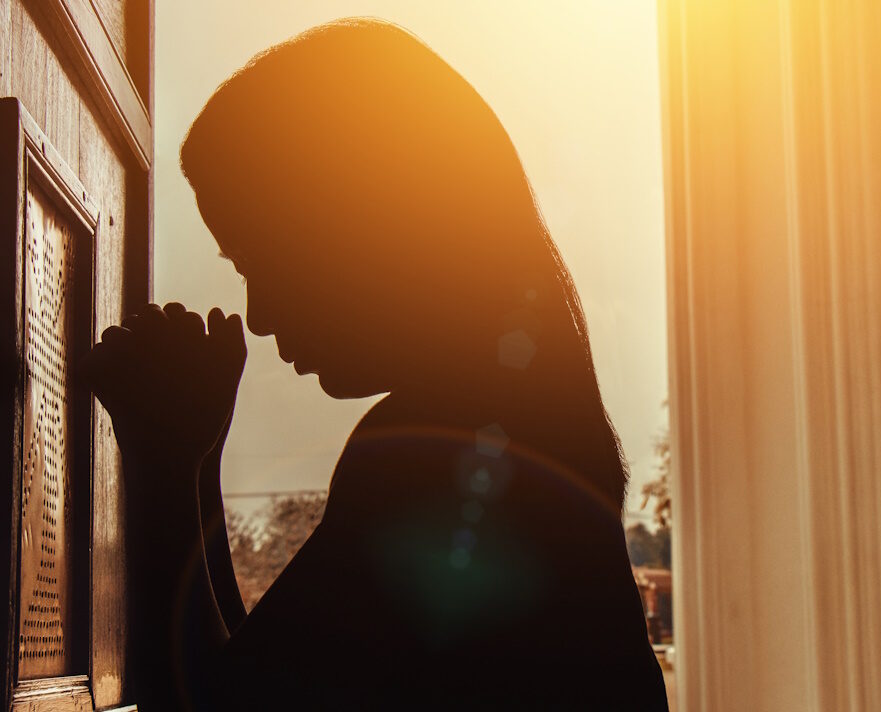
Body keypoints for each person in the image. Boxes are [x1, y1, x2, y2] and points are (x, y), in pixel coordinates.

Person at [85, 18, 667, 710]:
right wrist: (194, 461)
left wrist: (160, 463)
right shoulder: (517, 426)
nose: (260, 315)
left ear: (361, 230)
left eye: (261, 262)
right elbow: (254, 684)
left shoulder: (435, 456)